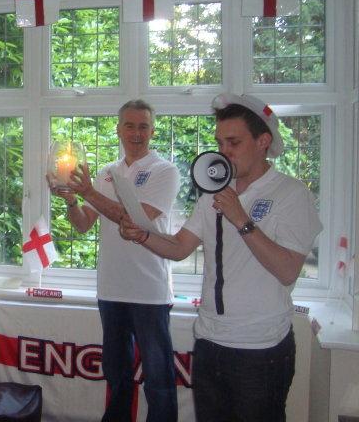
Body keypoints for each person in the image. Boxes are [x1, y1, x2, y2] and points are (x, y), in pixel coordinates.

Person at [120, 93, 322, 422]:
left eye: (234, 142)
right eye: (220, 142)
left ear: (263, 141)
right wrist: (143, 235)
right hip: (210, 342)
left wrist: (241, 218)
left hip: (261, 348)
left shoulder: (290, 193)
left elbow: (287, 270)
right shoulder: (214, 192)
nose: (223, 151)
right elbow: (180, 247)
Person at [49, 99, 180, 422]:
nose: (136, 133)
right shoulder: (107, 172)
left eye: (143, 126)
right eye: (130, 126)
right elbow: (83, 224)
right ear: (119, 129)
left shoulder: (164, 171)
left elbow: (138, 220)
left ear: (153, 130)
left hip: (150, 291)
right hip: (111, 289)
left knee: (159, 380)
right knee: (117, 376)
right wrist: (71, 200)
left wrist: (89, 193)